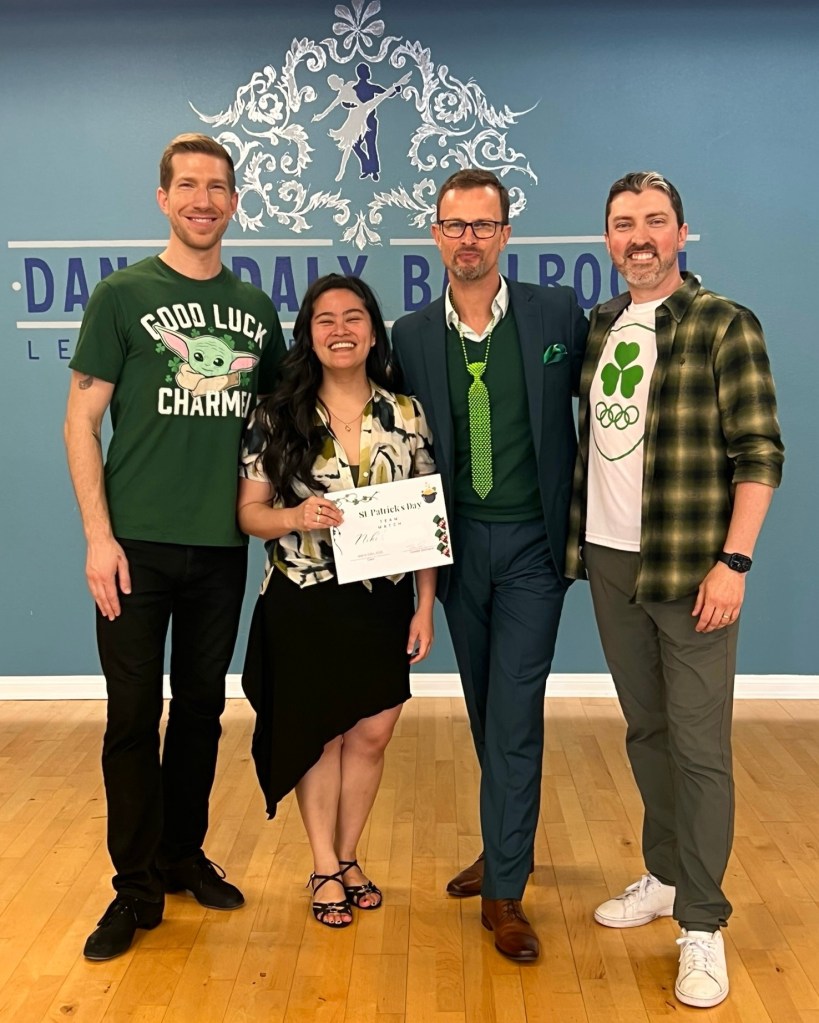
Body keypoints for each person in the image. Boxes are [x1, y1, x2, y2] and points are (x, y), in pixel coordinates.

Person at [64, 133, 286, 961]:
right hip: (133, 548)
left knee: (200, 710)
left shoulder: (255, 309)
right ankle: (133, 885)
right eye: (187, 185)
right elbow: (81, 421)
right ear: (163, 198)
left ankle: (181, 853)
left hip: (220, 546)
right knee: (131, 716)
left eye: (217, 187)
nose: (202, 200)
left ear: (234, 203)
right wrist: (98, 536)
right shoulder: (122, 295)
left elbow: (281, 424)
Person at [567, 171, 784, 1008]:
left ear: (681, 233)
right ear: (608, 239)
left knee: (698, 748)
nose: (639, 237)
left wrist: (734, 562)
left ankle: (701, 921)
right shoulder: (599, 325)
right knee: (647, 730)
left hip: (692, 567)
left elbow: (758, 451)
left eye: (654, 221)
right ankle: (663, 875)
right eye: (623, 223)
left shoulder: (724, 323)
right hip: (610, 559)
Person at [391, 169, 588, 961]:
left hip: (535, 546)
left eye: (482, 224)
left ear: (505, 233)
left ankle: (504, 891)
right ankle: (504, 841)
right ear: (434, 234)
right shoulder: (410, 334)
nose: (467, 238)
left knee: (513, 712)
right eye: (454, 224)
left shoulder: (556, 313)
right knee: (484, 708)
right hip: (458, 548)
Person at [237, 273, 437, 928]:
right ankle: (324, 864)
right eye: (325, 319)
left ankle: (349, 856)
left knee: (372, 733)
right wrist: (295, 517)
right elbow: (249, 514)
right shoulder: (274, 415)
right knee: (321, 737)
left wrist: (424, 604)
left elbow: (427, 519)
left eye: (354, 317)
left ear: (373, 332)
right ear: (308, 335)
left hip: (383, 601)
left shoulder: (405, 413)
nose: (340, 330)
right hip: (303, 597)